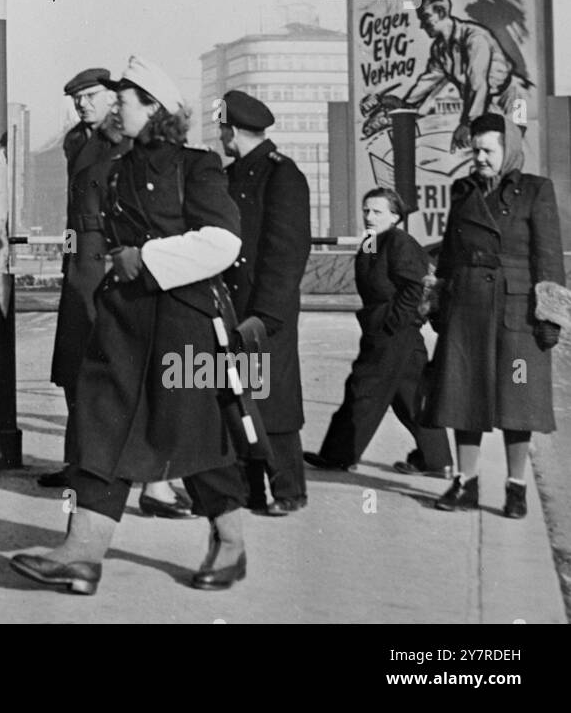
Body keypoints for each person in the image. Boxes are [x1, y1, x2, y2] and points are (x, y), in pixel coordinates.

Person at [10, 57, 249, 595]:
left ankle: (230, 543)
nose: (116, 106)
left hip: (185, 324)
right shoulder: (115, 167)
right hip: (124, 321)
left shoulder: (198, 166)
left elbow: (224, 241)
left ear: (156, 108)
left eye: (126, 99)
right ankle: (82, 554)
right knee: (101, 424)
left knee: (193, 438)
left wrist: (146, 258)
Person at [41, 67, 193, 519]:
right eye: (78, 98)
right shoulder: (77, 141)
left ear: (113, 99)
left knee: (120, 367)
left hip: (108, 261)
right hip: (80, 265)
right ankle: (80, 463)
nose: (83, 104)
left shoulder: (124, 143)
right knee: (77, 367)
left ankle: (141, 476)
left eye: (91, 96)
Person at [421, 112, 564, 518]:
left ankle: (516, 488)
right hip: (467, 309)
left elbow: (548, 255)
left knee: (518, 399)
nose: (480, 157)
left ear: (509, 151)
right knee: (462, 394)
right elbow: (449, 252)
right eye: (476, 149)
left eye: (488, 150)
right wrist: (438, 301)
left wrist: (551, 314)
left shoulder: (537, 190)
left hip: (518, 314)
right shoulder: (463, 191)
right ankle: (465, 483)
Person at [303, 189, 453, 476]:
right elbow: (370, 276)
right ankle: (437, 461)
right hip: (385, 330)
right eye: (366, 210)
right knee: (410, 398)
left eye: (377, 211)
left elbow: (414, 286)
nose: (369, 216)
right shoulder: (373, 241)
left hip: (393, 332)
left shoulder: (400, 242)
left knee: (362, 391)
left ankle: (338, 455)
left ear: (395, 216)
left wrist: (393, 323)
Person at [219, 89, 312, 515]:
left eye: (222, 128)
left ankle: (289, 490)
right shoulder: (234, 173)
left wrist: (266, 316)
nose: (219, 136)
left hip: (264, 312)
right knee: (238, 400)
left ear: (234, 130)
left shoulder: (282, 175)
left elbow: (286, 253)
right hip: (233, 306)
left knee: (273, 406)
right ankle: (247, 490)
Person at [389, 0, 529, 152]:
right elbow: (429, 79)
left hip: (513, 98)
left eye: (425, 18)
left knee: (518, 146)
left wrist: (467, 124)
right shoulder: (440, 48)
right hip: (486, 102)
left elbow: (478, 83)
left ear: (441, 13)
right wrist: (405, 104)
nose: (422, 25)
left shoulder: (475, 38)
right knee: (490, 150)